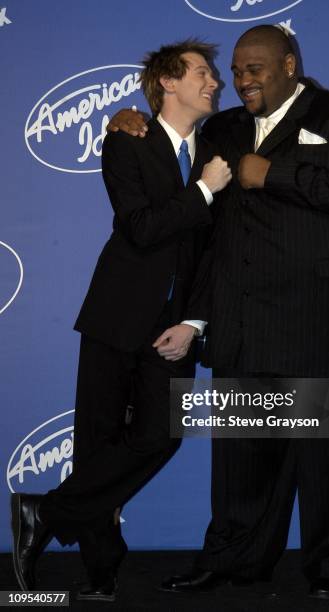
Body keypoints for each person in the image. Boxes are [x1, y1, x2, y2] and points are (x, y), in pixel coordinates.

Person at [108, 25, 329, 600]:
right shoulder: (224, 127)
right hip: (247, 321)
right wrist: (127, 119)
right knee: (243, 461)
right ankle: (235, 559)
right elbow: (201, 218)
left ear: (289, 64)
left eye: (255, 68)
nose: (242, 80)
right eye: (236, 70)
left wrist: (275, 173)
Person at [11, 39, 232, 601]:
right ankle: (100, 573)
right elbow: (141, 228)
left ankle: (45, 511)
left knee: (160, 435)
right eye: (203, 73)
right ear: (168, 83)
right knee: (98, 442)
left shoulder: (218, 147)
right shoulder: (127, 140)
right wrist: (205, 188)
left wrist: (196, 324)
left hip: (175, 327)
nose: (215, 83)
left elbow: (213, 255)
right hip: (116, 315)